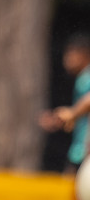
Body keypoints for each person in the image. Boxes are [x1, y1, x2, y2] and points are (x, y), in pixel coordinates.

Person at [38, 34, 90, 176]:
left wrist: (72, 113)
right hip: (80, 150)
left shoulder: (87, 77)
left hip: (84, 151)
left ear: (85, 54)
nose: (67, 59)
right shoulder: (82, 78)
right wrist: (61, 118)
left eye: (72, 54)